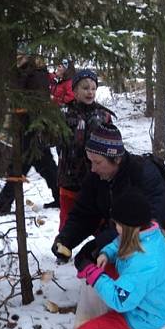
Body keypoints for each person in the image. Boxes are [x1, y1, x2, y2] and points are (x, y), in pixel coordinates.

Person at [51, 122, 165, 265]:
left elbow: (145, 223)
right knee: (93, 260)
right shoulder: (97, 176)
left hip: (157, 236)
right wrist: (65, 239)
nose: (93, 168)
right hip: (119, 233)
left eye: (98, 162)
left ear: (117, 159)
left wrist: (100, 245)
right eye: (90, 162)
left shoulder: (144, 175)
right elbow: (84, 213)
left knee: (121, 264)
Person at [74, 188, 165, 329]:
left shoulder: (145, 261)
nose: (116, 228)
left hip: (146, 314)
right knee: (106, 271)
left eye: (118, 224)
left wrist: (93, 274)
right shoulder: (145, 234)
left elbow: (120, 301)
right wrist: (106, 254)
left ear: (129, 227)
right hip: (147, 301)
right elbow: (119, 243)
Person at [0, 55, 60, 215]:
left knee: (20, 165)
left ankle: (2, 204)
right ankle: (61, 198)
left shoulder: (34, 73)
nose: (17, 58)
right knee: (46, 165)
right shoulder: (27, 71)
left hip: (32, 127)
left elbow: (34, 99)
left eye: (20, 56)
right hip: (28, 126)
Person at [57, 69, 114, 230]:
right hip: (69, 177)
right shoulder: (63, 113)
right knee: (67, 220)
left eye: (93, 88)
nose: (90, 92)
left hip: (97, 177)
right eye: (85, 88)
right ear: (74, 91)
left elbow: (113, 147)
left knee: (100, 220)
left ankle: (98, 251)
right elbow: (51, 140)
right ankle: (62, 250)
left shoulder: (103, 115)